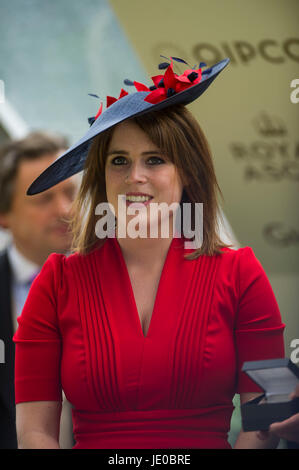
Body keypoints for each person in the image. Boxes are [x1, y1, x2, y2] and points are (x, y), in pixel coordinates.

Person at [13, 57, 285, 449]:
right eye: (118, 160)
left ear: (188, 172)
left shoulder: (242, 274)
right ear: (101, 175)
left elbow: (267, 419)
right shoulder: (55, 283)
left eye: (154, 159)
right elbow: (34, 433)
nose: (134, 176)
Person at [0, 131, 78, 448]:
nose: (65, 210)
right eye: (45, 197)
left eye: (71, 193)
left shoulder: (123, 282)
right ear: (4, 214)